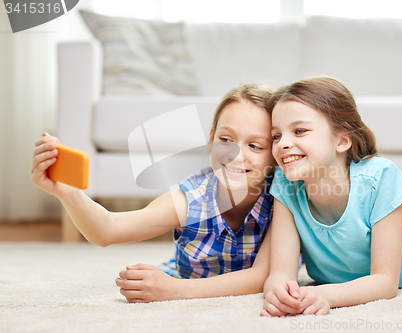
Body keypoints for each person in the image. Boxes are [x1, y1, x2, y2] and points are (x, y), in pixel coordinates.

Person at [31, 84, 276, 303]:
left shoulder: (281, 200)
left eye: (255, 146)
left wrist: (175, 290)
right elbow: (107, 230)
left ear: (275, 155)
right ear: (211, 140)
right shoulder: (190, 199)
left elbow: (261, 277)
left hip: (182, 285)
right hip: (182, 273)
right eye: (226, 139)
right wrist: (69, 194)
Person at [260, 76, 402, 316]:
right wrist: (279, 289)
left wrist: (326, 295)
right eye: (276, 136)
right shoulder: (284, 183)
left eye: (299, 131)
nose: (283, 144)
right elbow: (280, 270)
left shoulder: (382, 176)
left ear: (342, 141)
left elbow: (385, 282)